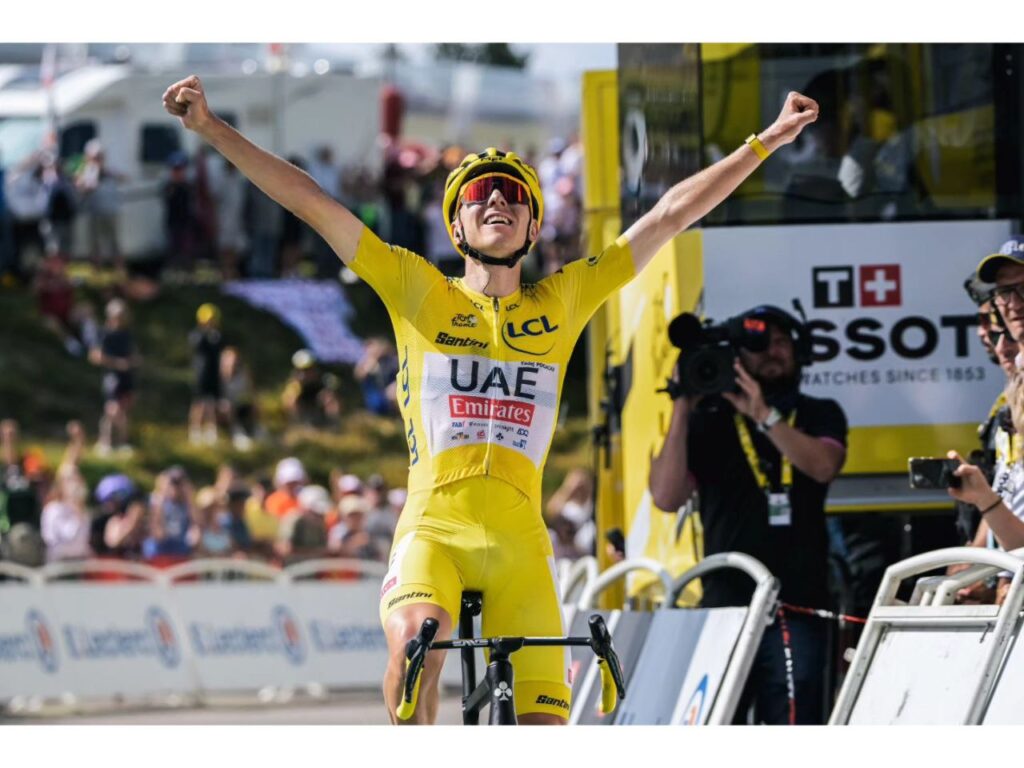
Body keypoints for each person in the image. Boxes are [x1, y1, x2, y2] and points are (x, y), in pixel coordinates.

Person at [163, 73, 819, 725]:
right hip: (434, 530)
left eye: (515, 193)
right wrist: (212, 129)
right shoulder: (416, 287)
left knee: (543, 727)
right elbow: (310, 201)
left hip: (520, 544)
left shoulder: (563, 300)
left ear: (533, 224)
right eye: (480, 192)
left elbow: (669, 214)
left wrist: (767, 140)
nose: (498, 199)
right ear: (456, 222)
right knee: (417, 651)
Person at [648, 306, 848, 725]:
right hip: (726, 605)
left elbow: (823, 466)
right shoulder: (709, 420)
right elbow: (666, 496)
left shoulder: (820, 412)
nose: (772, 352)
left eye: (782, 343)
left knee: (794, 722)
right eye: (760, 345)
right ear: (738, 358)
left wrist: (764, 416)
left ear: (800, 352)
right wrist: (683, 403)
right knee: (721, 722)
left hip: (799, 604)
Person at [89, 298, 141, 455]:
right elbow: (95, 356)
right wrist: (117, 363)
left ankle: (121, 443)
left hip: (127, 377)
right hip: (112, 376)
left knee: (123, 410)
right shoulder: (103, 333)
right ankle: (105, 442)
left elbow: (133, 353)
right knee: (112, 410)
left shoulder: (126, 333)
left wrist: (133, 361)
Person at [40, 421, 93, 563]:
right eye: (71, 481)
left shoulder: (82, 510)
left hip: (79, 566)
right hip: (60, 567)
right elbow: (65, 541)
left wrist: (79, 440)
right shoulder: (54, 509)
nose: (75, 485)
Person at [75, 139, 125, 274]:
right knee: (95, 242)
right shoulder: (85, 172)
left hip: (111, 211)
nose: (98, 159)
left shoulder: (110, 170)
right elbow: (79, 188)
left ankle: (119, 269)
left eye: (100, 156)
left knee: (114, 241)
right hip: (95, 212)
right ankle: (96, 270)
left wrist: (106, 172)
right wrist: (87, 183)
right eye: (95, 156)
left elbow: (124, 178)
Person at [142, 466, 197, 566]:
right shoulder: (155, 501)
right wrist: (162, 494)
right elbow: (156, 528)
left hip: (180, 551)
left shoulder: (186, 505)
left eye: (179, 484)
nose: (175, 487)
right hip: (158, 552)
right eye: (173, 483)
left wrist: (189, 498)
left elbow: (197, 523)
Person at [188, 303, 226, 445]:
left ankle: (211, 429)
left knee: (213, 403)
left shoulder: (217, 335)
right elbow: (197, 346)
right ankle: (195, 430)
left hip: (214, 373)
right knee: (199, 403)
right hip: (201, 373)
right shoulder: (197, 334)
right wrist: (205, 332)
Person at [281, 349, 341, 426]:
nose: (305, 373)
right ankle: (298, 426)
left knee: (330, 398)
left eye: (308, 369)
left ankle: (334, 425)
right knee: (291, 399)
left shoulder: (325, 379)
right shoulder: (294, 384)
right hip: (305, 410)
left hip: (319, 408)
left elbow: (336, 395)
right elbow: (288, 401)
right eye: (302, 370)